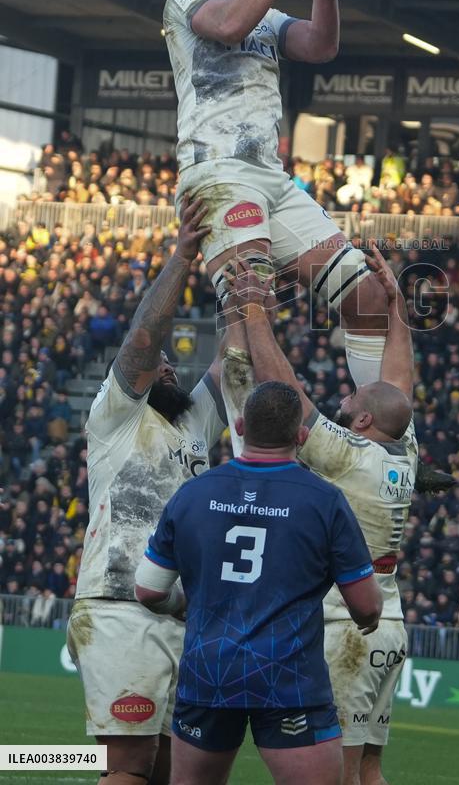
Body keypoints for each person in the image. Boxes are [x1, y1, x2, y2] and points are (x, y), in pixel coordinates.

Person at [219, 245, 454, 785]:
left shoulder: (350, 455)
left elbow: (287, 395)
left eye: (351, 400)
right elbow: (399, 383)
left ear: (364, 419)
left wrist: (254, 310)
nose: (342, 402)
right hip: (388, 627)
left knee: (338, 774)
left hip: (346, 627)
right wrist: (395, 310)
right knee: (369, 769)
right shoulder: (402, 451)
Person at [163, 0, 389, 385]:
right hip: (219, 171)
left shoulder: (263, 15)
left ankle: (376, 432)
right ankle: (253, 456)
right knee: (252, 308)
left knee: (367, 296)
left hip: (272, 179)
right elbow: (226, 25)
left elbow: (320, 45)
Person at [134, 379, 382, 785]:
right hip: (289, 679)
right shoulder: (325, 500)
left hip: (209, 672)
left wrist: (182, 606)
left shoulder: (193, 493)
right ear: (301, 436)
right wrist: (369, 616)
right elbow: (367, 606)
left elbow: (147, 589)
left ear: (241, 428)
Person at [66, 197, 228, 785]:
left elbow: (232, 355)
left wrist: (238, 278)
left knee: (165, 770)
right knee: (127, 767)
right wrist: (183, 257)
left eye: (170, 363)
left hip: (184, 613)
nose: (165, 364)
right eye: (154, 361)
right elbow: (142, 336)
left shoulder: (194, 423)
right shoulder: (119, 415)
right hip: (120, 607)